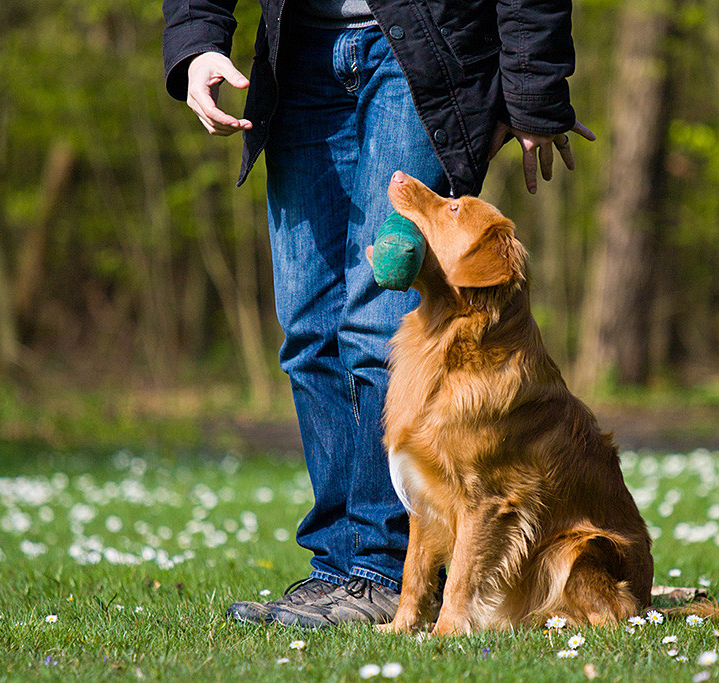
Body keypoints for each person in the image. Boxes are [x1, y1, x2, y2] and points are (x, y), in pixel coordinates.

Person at [162, 0, 594, 629]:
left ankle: (384, 572)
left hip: (423, 46)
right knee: (308, 329)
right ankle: (337, 566)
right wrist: (197, 39)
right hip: (296, 53)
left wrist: (532, 81)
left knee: (375, 324)